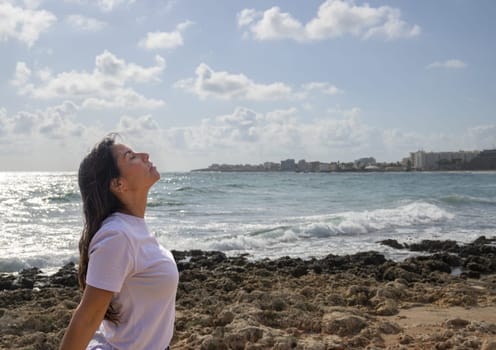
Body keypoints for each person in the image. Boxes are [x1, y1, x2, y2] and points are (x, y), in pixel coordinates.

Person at [60, 135, 179, 350]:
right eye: (131, 157)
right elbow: (87, 317)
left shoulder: (131, 228)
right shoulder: (117, 236)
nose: (145, 156)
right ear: (118, 184)